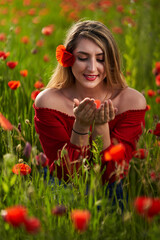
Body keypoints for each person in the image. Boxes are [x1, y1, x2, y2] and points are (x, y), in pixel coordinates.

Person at [33, 20, 147, 191]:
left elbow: (111, 175)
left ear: (111, 61)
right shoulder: (48, 102)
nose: (92, 68)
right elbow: (68, 174)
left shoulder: (131, 101)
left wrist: (101, 126)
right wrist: (81, 125)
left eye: (100, 59)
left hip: (109, 186)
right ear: (68, 59)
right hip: (63, 184)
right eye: (83, 58)